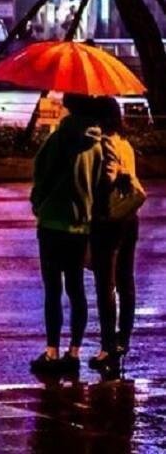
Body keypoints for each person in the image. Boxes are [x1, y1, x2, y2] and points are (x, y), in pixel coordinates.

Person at [30, 94, 103, 375]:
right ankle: (74, 352)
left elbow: (41, 176)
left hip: (51, 223)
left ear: (69, 107)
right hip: (80, 225)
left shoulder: (56, 140)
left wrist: (38, 204)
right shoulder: (97, 145)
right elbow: (100, 185)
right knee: (76, 289)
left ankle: (52, 351)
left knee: (53, 290)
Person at [89, 97, 143, 376]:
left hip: (109, 220)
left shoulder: (106, 143)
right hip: (130, 217)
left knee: (105, 284)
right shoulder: (126, 143)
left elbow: (109, 177)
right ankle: (124, 340)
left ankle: (109, 345)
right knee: (125, 280)